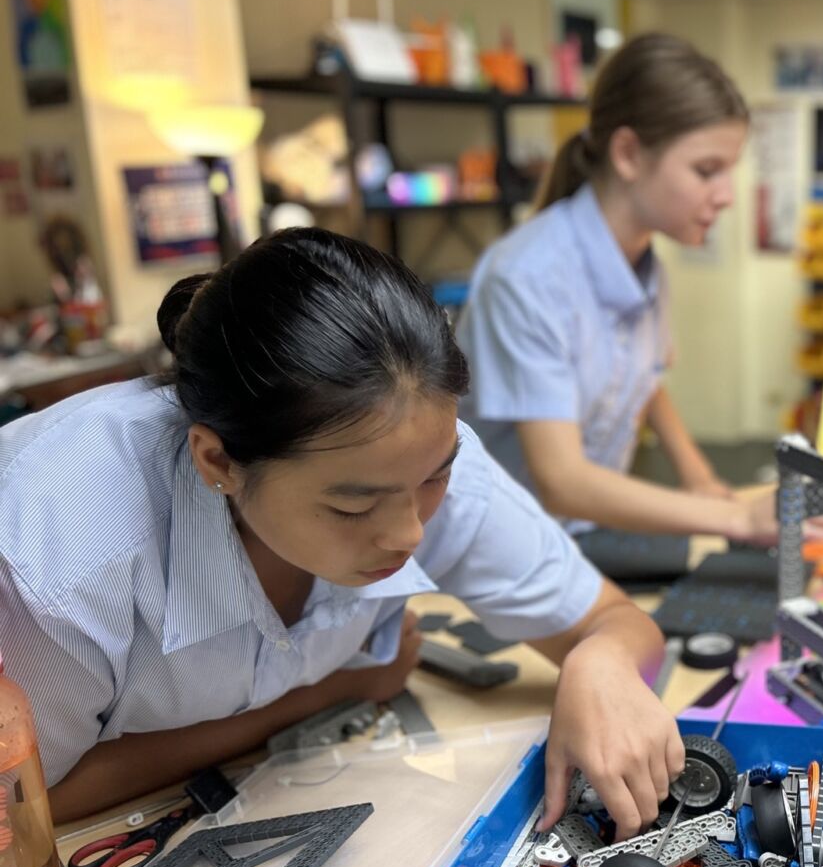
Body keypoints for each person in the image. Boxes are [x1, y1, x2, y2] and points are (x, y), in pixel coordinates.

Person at [0, 228, 682, 832]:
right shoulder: (59, 560)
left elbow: (621, 623)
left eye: (434, 478)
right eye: (354, 509)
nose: (410, 533)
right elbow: (27, 803)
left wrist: (601, 660)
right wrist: (329, 694)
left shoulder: (413, 451)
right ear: (219, 462)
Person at [455, 33, 776, 541]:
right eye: (706, 170)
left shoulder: (647, 266)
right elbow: (561, 481)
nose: (726, 197)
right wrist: (737, 519)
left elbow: (643, 378)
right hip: (491, 553)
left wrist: (700, 478)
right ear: (628, 153)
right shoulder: (526, 277)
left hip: (578, 538)